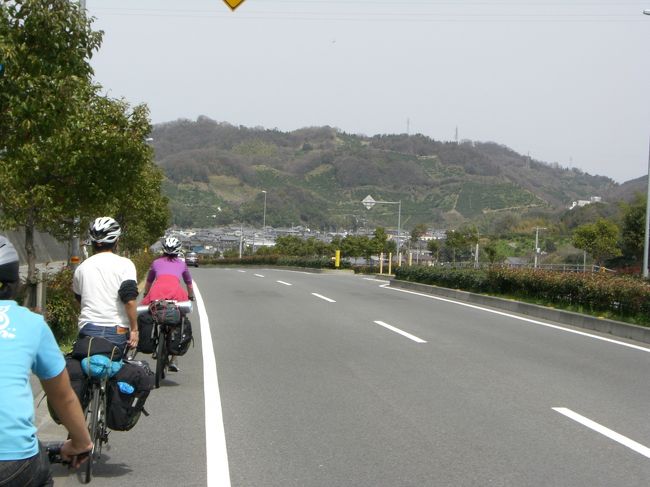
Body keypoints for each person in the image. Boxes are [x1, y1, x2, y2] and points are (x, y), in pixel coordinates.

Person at [0, 236, 93, 486]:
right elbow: (63, 396)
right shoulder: (30, 323)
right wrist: (81, 443)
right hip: (13, 461)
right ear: (13, 284)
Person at [72, 217, 139, 355]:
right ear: (117, 241)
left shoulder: (81, 268)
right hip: (117, 331)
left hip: (88, 329)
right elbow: (130, 301)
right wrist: (134, 329)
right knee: (117, 370)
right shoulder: (125, 264)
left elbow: (79, 298)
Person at [141, 236, 194, 372]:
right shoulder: (182, 264)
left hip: (157, 292)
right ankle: (174, 357)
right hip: (176, 292)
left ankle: (153, 337)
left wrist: (146, 294)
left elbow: (149, 281)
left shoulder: (156, 262)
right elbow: (188, 282)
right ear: (177, 251)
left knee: (151, 312)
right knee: (180, 317)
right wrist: (190, 295)